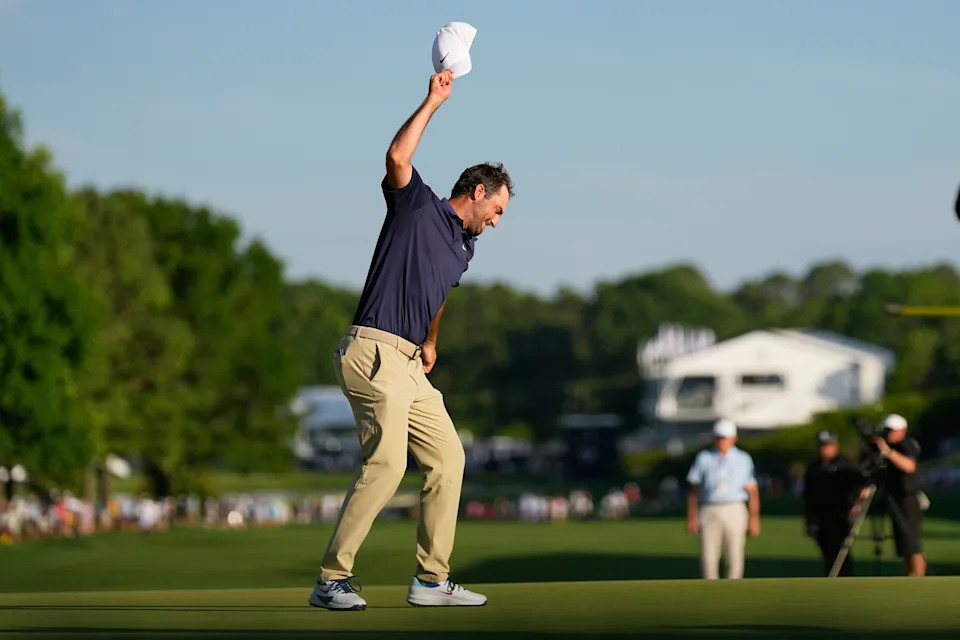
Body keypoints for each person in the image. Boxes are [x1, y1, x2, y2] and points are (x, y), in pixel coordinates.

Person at [308, 69, 514, 611]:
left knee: (449, 458)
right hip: (372, 352)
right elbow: (396, 158)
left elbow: (437, 292)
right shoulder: (416, 205)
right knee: (388, 466)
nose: (496, 223)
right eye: (497, 211)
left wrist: (430, 341)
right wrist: (433, 100)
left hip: (409, 363)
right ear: (476, 194)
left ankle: (430, 580)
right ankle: (331, 580)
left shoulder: (464, 248)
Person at [686, 419, 761, 579]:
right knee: (708, 557)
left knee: (734, 555)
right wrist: (692, 517)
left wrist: (754, 518)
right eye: (719, 437)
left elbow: (753, 491)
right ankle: (710, 590)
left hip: (735, 507)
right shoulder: (704, 458)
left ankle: (734, 591)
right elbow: (694, 491)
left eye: (725, 437)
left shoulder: (743, 459)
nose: (722, 441)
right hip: (709, 508)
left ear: (733, 439)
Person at [803, 430, 865, 576]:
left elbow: (864, 485)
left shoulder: (846, 464)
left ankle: (845, 580)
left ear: (835, 445)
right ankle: (832, 580)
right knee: (827, 551)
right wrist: (809, 520)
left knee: (840, 551)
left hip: (841, 514)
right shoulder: (813, 467)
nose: (824, 449)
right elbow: (808, 496)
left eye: (828, 445)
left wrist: (856, 506)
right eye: (821, 445)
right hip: (820, 516)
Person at [873, 413, 926, 577]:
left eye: (893, 430)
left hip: (908, 499)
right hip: (895, 498)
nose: (889, 434)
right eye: (887, 430)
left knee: (912, 544)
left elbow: (909, 466)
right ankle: (909, 577)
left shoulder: (907, 444)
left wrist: (887, 452)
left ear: (903, 430)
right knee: (904, 546)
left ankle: (917, 577)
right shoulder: (892, 447)